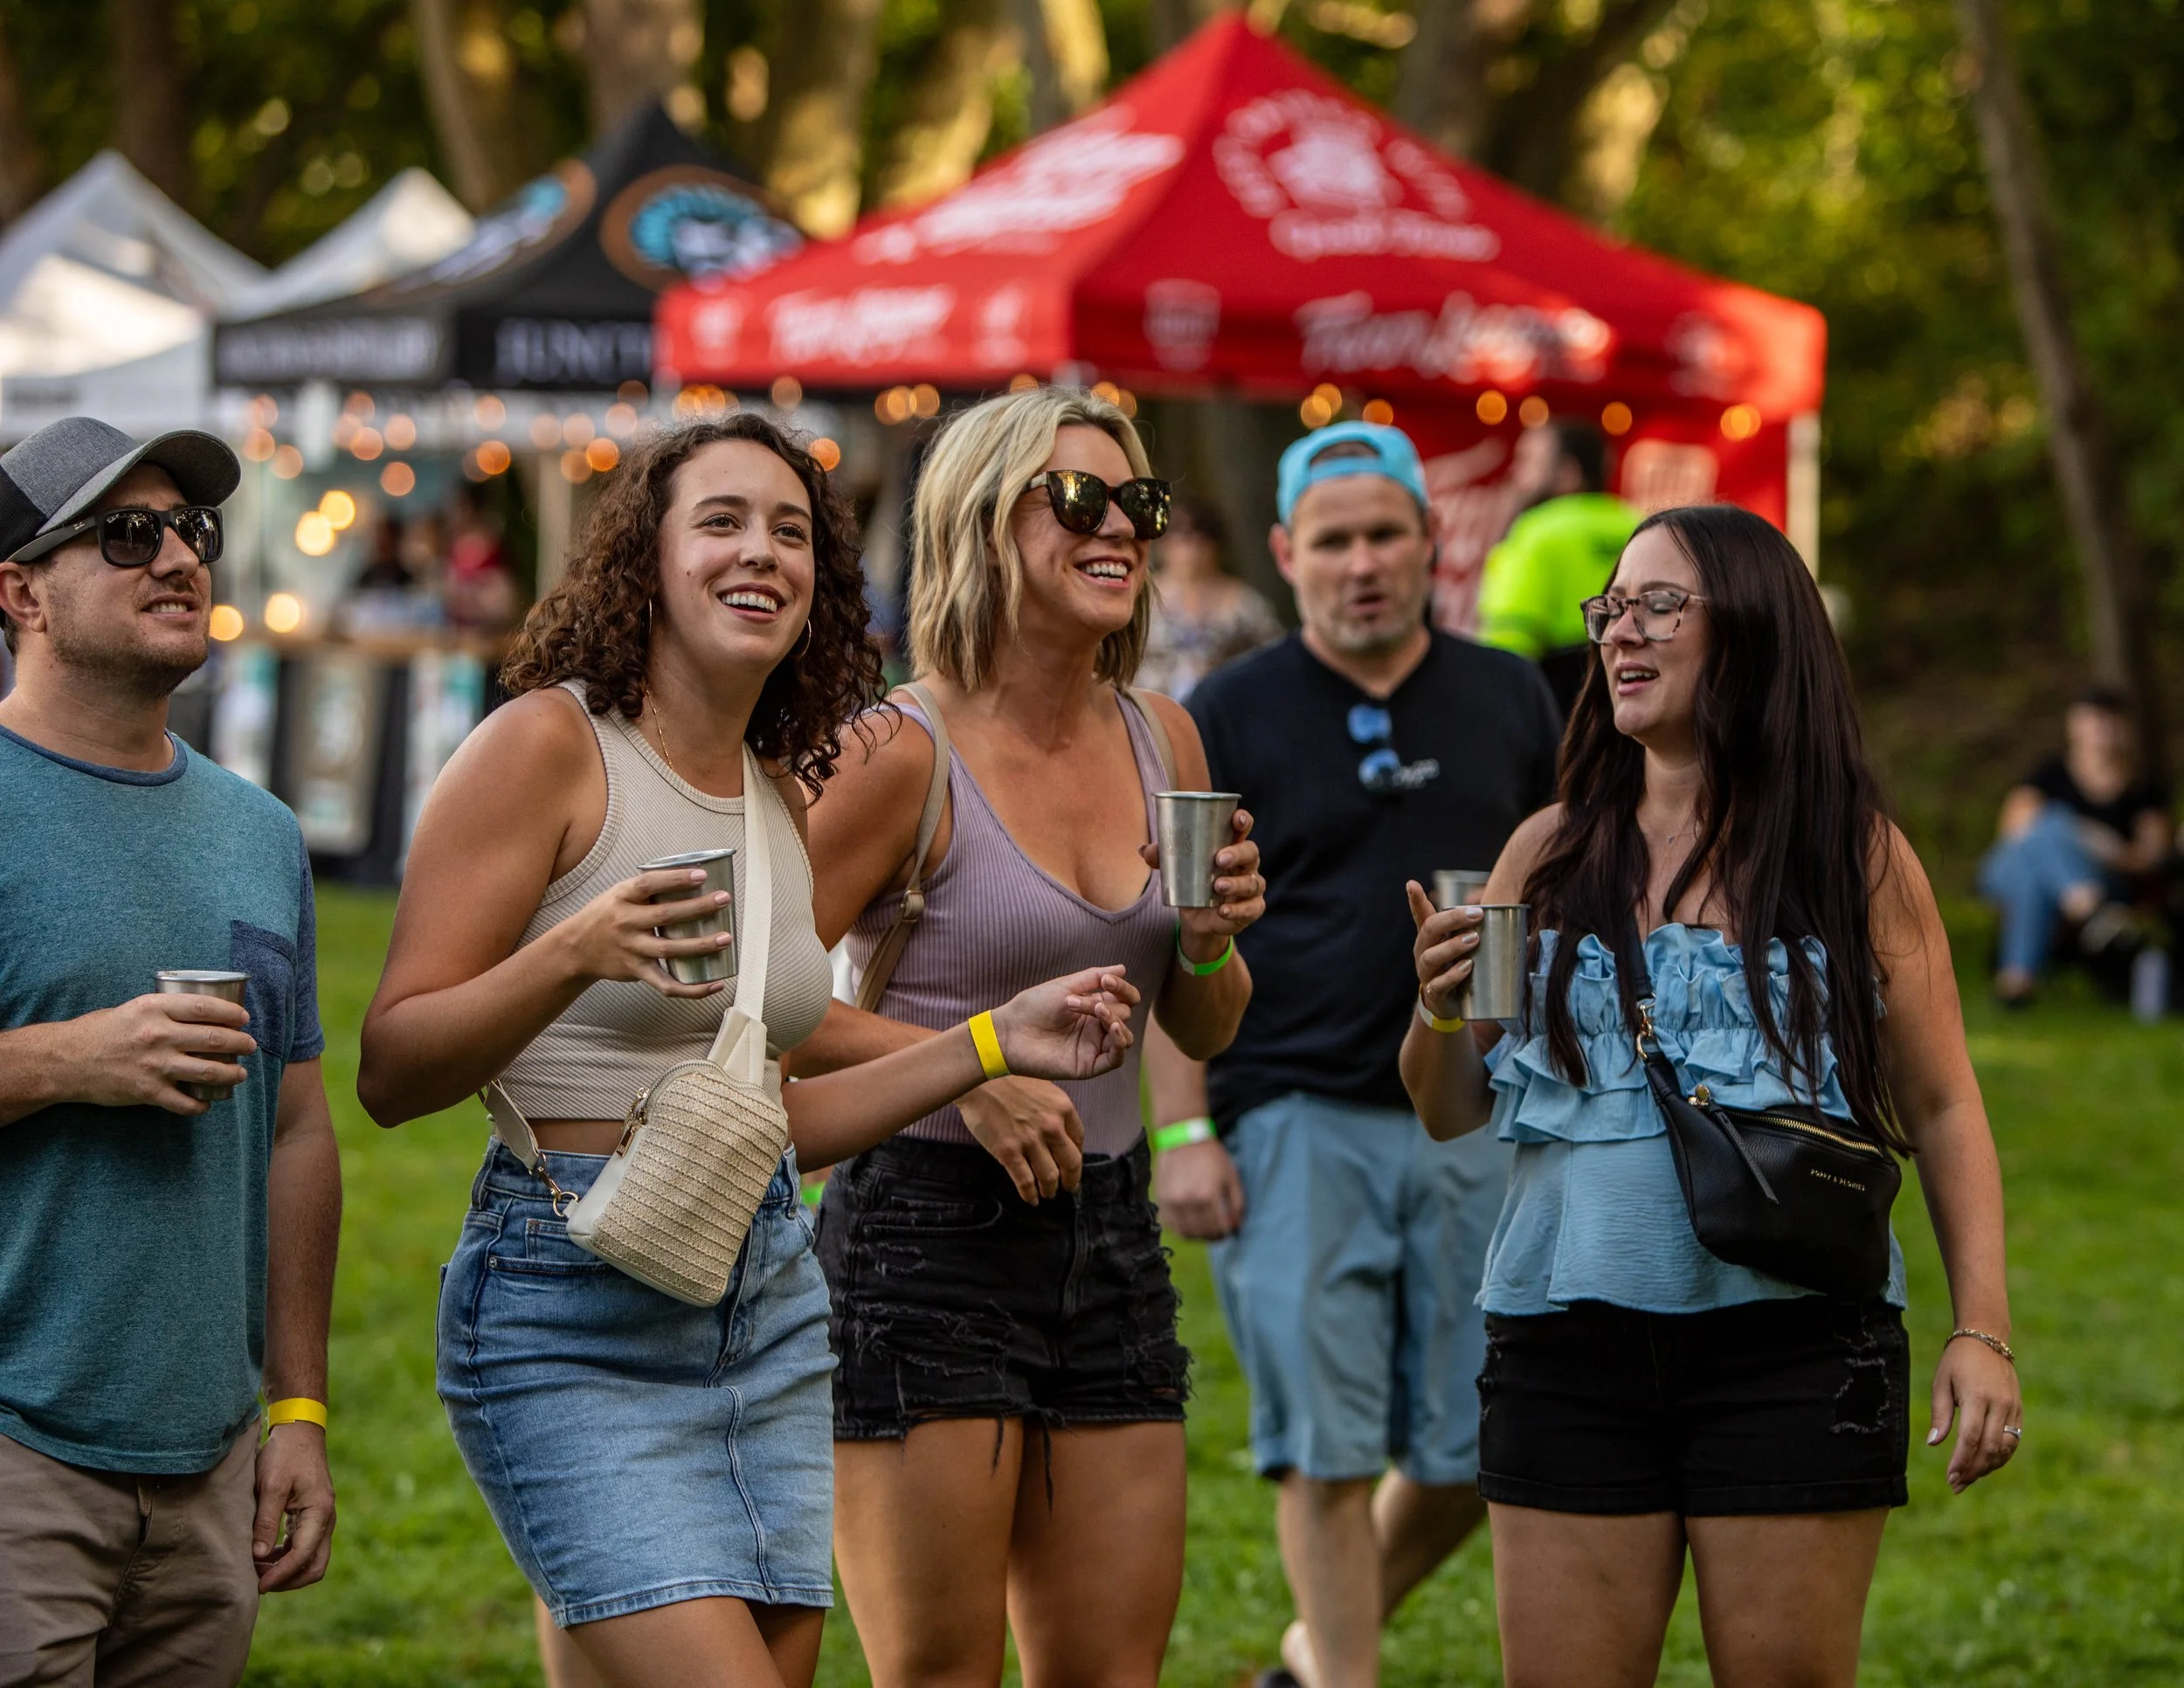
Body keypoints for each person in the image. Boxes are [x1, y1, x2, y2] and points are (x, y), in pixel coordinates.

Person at [355, 415, 1144, 1688]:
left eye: (791, 532)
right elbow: (390, 1071)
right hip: (571, 1310)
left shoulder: (778, 793)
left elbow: (768, 1117)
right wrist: (572, 953)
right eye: (720, 520)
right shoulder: (552, 746)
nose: (759, 552)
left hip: (763, 1304)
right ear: (649, 560)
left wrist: (994, 1043)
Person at [1400, 505, 2020, 1686]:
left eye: (1658, 605)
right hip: (1564, 1346)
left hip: (1794, 1343)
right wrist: (1435, 1012)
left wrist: (1981, 1331)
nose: (1619, 633)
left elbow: (1944, 1107)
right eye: (1609, 610)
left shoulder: (1857, 858)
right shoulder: (1547, 853)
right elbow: (1448, 1107)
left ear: (1751, 628)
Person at [793, 386, 1264, 1688]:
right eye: (1076, 498)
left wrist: (1216, 933)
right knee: (941, 1673)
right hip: (921, 1236)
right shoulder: (898, 749)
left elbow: (1203, 1013)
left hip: (1107, 1239)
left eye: (1139, 502)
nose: (1118, 525)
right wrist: (972, 1066)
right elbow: (758, 1007)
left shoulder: (1165, 735)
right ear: (979, 526)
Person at [1153, 419, 1562, 1688]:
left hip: (1482, 1116)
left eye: (1387, 533)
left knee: (1477, 1449)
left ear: (1432, 543)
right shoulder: (1224, 711)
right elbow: (1173, 933)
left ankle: (1310, 1651)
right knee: (1323, 1450)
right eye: (1334, 541)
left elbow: (1567, 887)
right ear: (1287, 554)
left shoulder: (1509, 693)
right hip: (1288, 1115)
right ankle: (1342, 1673)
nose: (1364, 562)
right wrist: (1185, 1129)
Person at [0, 417, 341, 1684]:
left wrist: (297, 1406)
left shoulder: (259, 832)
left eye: (191, 533)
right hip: (17, 1449)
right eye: (127, 535)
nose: (180, 561)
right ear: (21, 590)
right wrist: (65, 1060)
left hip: (209, 1469)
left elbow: (301, 1133)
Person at [1978, 683, 2171, 1005]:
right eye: (2093, 719)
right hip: (2010, 867)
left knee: (2032, 876)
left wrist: (2110, 851)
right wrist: (2079, 834)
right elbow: (2014, 831)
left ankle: (2017, 981)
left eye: (2110, 720)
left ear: (2125, 728)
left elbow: (2153, 857)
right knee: (2052, 823)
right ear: (2074, 724)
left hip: (2105, 875)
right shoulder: (2049, 773)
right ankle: (2084, 902)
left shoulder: (2143, 788)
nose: (2101, 729)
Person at [1475, 419, 1641, 715]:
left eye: (1528, 462)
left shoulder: (1534, 532)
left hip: (1558, 711)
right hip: (1632, 700)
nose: (1515, 473)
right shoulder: (1639, 526)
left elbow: (1508, 640)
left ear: (1568, 474)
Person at [1136, 494, 1284, 701]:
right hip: (1151, 716)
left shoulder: (1245, 602)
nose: (1190, 546)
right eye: (1179, 534)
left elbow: (1276, 661)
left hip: (1228, 715)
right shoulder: (1137, 600)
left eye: (1200, 536)